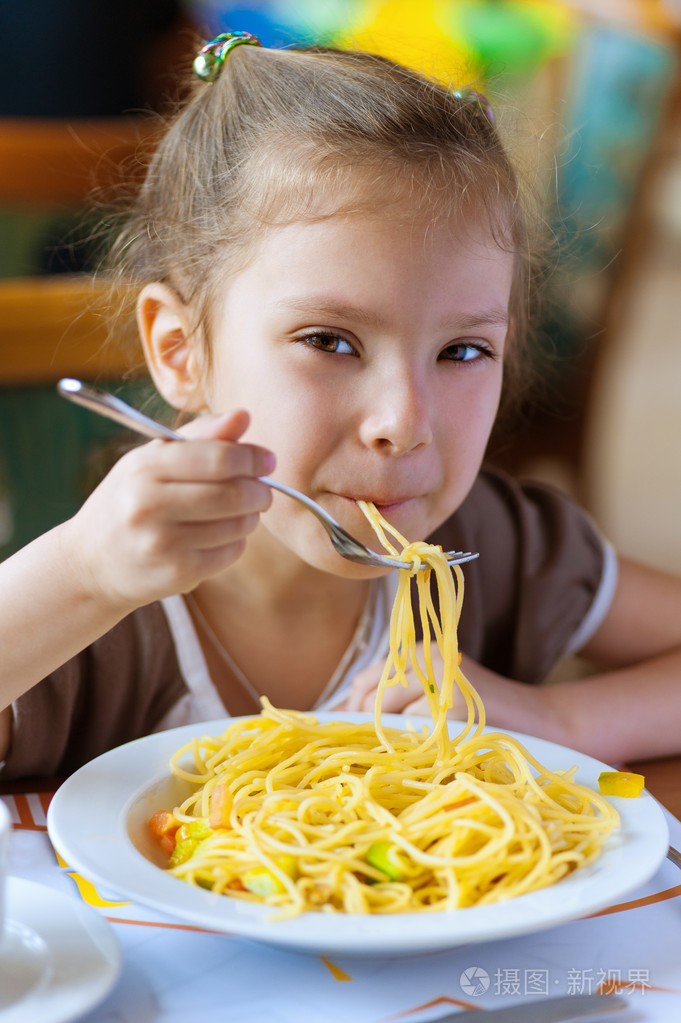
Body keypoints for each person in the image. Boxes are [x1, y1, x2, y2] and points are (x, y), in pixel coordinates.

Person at [1, 32, 680, 779]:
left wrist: (562, 718)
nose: (403, 422)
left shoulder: (498, 547)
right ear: (180, 352)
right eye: (329, 341)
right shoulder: (104, 609)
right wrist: (78, 574)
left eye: (461, 351)